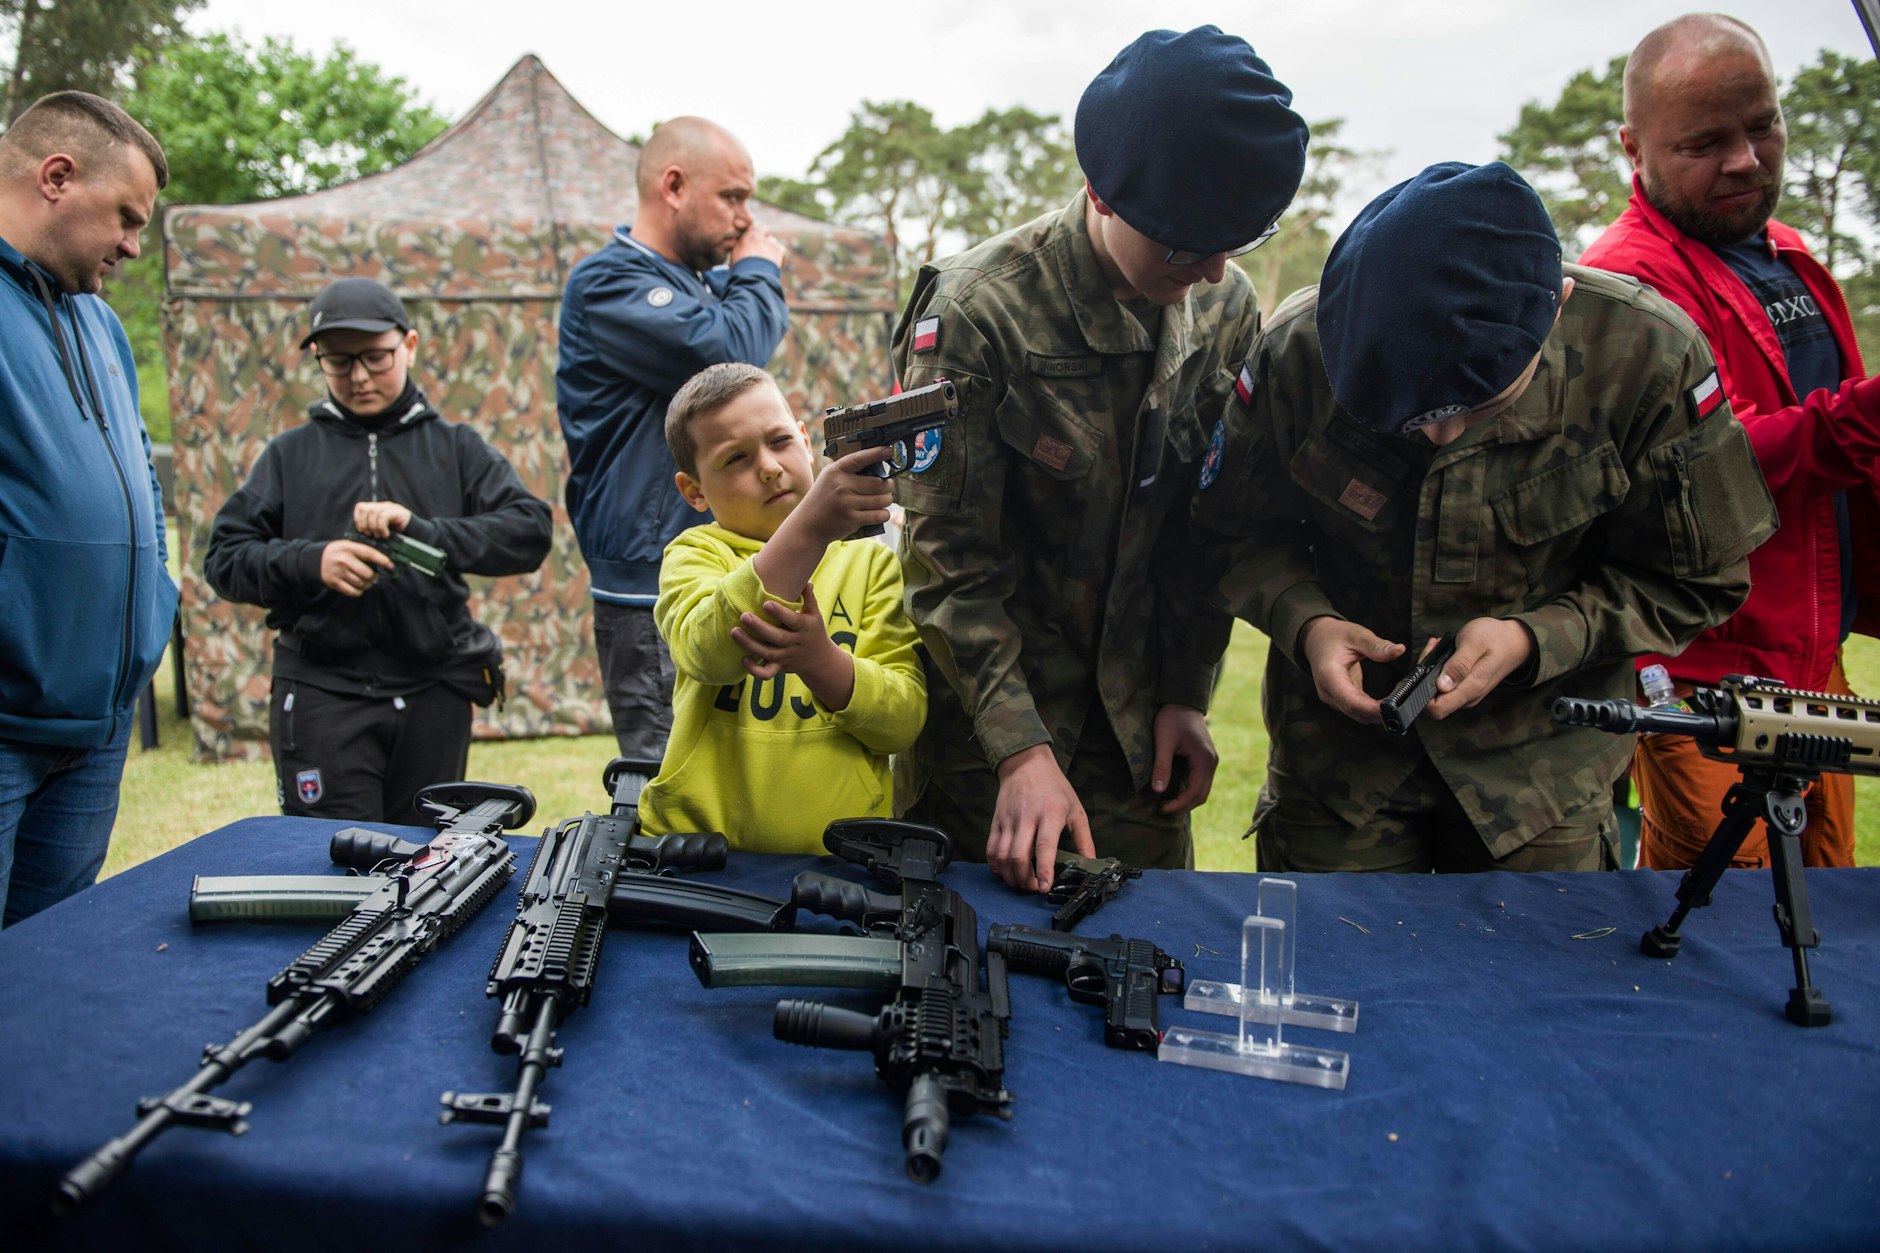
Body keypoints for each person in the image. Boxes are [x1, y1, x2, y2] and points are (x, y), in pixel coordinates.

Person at [1193, 161, 1777, 874]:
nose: (1443, 436)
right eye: (1411, 418)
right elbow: (1229, 533)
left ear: (1556, 306)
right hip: (1341, 781)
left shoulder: (1648, 360)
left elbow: (1699, 579)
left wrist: (1536, 639)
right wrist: (1305, 621)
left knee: (1533, 980)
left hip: (1540, 783)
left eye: (1481, 404)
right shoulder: (1301, 350)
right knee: (1326, 979)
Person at [890, 26, 1309, 891]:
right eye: (1187, 247)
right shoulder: (979, 314)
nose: (1213, 270)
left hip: (1138, 745)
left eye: (1235, 243)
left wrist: (1187, 693)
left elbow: (1206, 523)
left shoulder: (1224, 303)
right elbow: (947, 564)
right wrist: (1019, 750)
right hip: (988, 749)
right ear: (1103, 194)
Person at [1580, 13, 1880, 871]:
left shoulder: (1786, 254)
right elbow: (1716, 473)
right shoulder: (1629, 284)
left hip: (1816, 662)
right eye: (1706, 142)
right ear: (1634, 149)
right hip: (1707, 671)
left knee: (1832, 903)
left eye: (1763, 125)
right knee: (1720, 922)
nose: (1746, 159)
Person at [204, 277, 553, 823]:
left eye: (376, 356)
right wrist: (312, 561)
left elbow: (530, 531)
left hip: (432, 689)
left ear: (409, 346)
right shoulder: (289, 454)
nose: (359, 376)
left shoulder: (456, 447)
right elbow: (224, 557)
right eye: (339, 362)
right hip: (322, 690)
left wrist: (424, 530)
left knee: (430, 866)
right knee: (332, 867)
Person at [557, 117, 789, 762]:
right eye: (733, 197)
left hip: (721, 567)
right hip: (651, 584)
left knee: (734, 781)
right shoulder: (609, 282)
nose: (745, 220)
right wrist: (760, 272)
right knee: (666, 785)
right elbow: (734, 353)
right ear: (675, 185)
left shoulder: (701, 287)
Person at [0, 92, 173, 928]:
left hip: (95, 726)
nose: (134, 246)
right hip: (6, 722)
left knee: (48, 969)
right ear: (58, 177)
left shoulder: (102, 326)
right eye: (126, 218)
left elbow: (142, 476)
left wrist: (153, 612)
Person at [637, 362, 924, 853]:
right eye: (736, 459)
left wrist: (821, 662)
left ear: (806, 441)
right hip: (698, 855)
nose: (768, 466)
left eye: (780, 441)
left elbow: (902, 723)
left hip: (842, 859)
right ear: (694, 491)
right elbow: (707, 653)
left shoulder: (869, 563)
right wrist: (809, 530)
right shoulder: (695, 554)